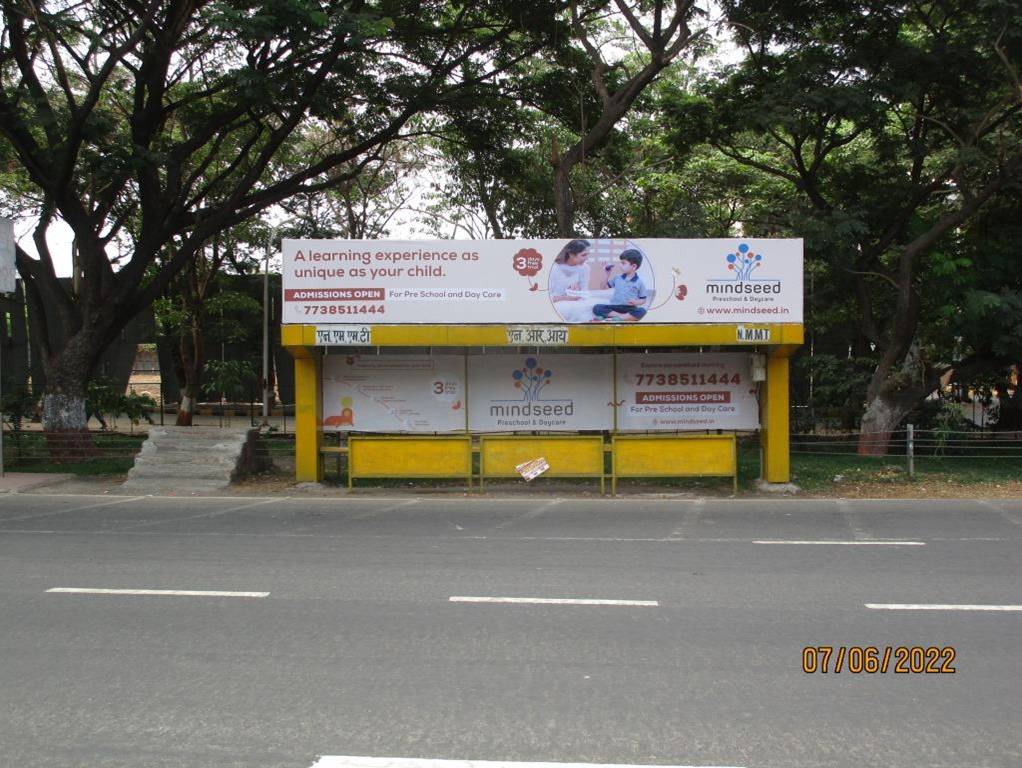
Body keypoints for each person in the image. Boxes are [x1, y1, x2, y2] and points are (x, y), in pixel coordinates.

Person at [592, 249, 648, 321]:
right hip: (614, 307)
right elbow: (603, 287)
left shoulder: (639, 282)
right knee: (597, 308)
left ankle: (611, 317)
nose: (620, 265)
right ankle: (622, 317)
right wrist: (607, 274)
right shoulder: (617, 278)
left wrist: (637, 302)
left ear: (634, 266)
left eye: (623, 263)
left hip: (629, 308)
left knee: (642, 311)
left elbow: (643, 299)